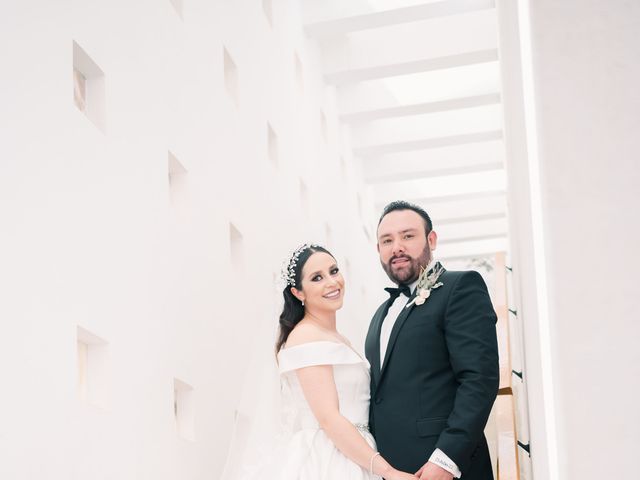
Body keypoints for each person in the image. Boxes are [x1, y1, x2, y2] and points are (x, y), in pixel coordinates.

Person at [242, 243, 416, 480]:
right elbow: (329, 419)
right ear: (298, 293)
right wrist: (388, 472)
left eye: (334, 271)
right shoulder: (306, 337)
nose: (332, 282)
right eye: (317, 278)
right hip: (330, 458)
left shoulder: (338, 338)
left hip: (356, 452)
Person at [365, 201, 499, 480]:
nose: (397, 247)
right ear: (378, 250)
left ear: (431, 239)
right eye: (386, 240)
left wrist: (447, 460)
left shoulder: (460, 287)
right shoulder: (381, 313)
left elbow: (478, 379)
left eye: (408, 236)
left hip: (443, 468)